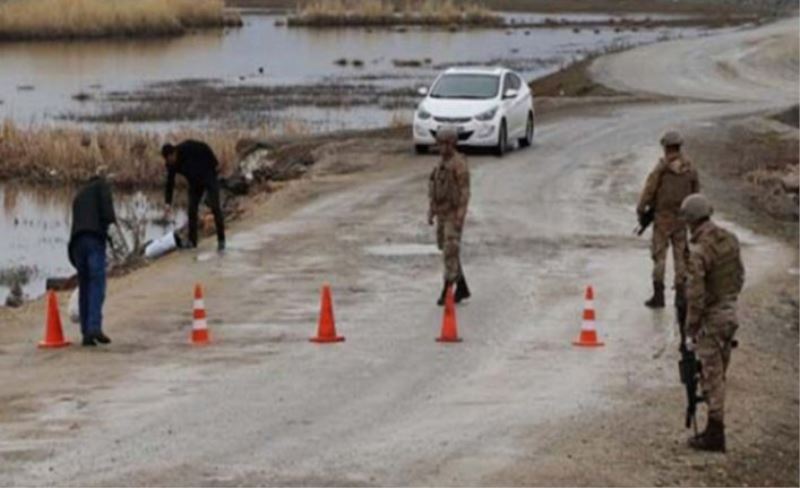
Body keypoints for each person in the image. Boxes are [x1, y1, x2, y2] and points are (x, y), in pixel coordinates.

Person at [681, 194, 745, 453]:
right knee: (719, 372)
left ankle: (715, 433)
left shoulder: (699, 251)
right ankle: (713, 429)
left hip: (713, 318)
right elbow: (740, 276)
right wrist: (727, 299)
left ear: (691, 221)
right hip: (729, 312)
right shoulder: (729, 239)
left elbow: (695, 295)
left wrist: (690, 327)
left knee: (711, 375)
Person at [637, 131, 700, 308]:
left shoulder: (661, 169)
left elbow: (649, 190)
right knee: (681, 257)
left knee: (659, 257)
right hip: (682, 219)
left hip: (662, 219)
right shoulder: (690, 168)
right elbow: (696, 194)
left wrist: (641, 210)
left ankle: (659, 296)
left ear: (666, 147)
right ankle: (681, 295)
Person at [68, 166, 116, 347]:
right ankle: (95, 327)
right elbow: (107, 214)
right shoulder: (101, 186)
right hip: (93, 240)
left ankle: (86, 333)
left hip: (76, 243)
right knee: (97, 283)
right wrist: (111, 230)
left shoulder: (79, 195)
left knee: (85, 285)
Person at [428, 127, 471, 306]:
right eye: (440, 143)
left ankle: (447, 290)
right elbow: (434, 189)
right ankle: (461, 286)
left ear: (453, 144)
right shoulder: (440, 164)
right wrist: (431, 211)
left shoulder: (458, 164)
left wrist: (460, 216)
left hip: (453, 214)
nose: (443, 147)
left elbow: (464, 192)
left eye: (447, 143)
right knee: (448, 250)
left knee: (450, 251)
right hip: (442, 213)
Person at [162, 140, 226, 252]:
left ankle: (221, 240)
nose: (169, 163)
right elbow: (170, 183)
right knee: (191, 210)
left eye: (170, 159)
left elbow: (204, 146)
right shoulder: (171, 164)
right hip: (194, 183)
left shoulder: (188, 147)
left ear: (173, 153)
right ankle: (192, 241)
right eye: (167, 161)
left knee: (215, 207)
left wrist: (215, 164)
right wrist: (168, 203)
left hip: (208, 175)